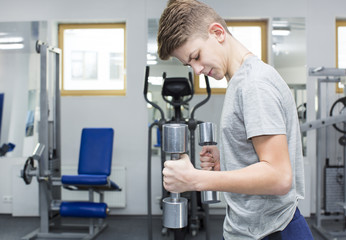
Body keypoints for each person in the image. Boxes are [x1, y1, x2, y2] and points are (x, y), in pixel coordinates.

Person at [157, 0, 314, 239]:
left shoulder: (254, 84)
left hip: (272, 231)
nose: (197, 70)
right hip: (253, 228)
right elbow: (264, 160)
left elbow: (279, 176)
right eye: (190, 64)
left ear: (218, 32)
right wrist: (231, 159)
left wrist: (197, 179)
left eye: (197, 56)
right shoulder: (241, 81)